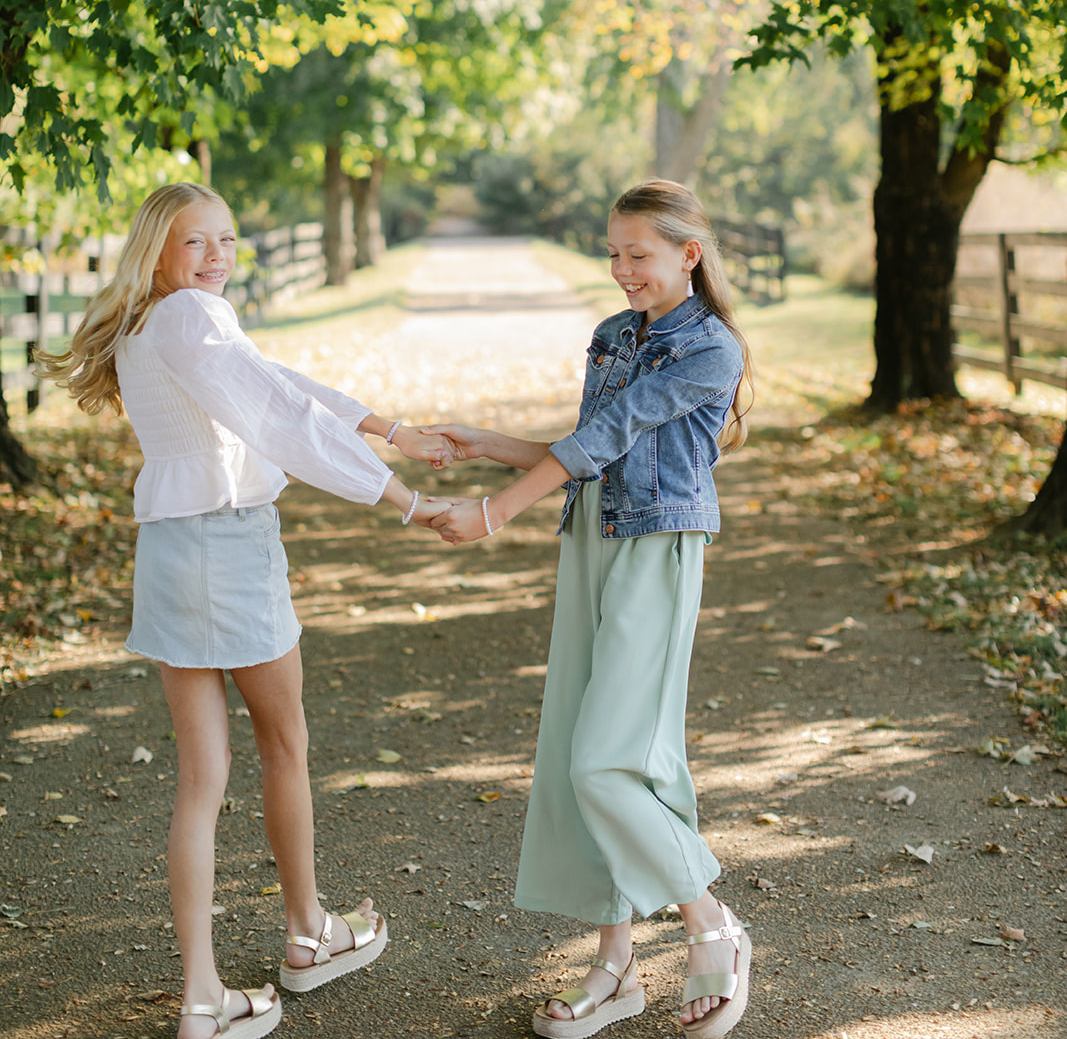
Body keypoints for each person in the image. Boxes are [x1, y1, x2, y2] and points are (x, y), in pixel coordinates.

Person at [38, 182, 444, 1039]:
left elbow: (271, 381)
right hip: (229, 545)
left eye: (226, 239)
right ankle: (307, 935)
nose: (217, 256)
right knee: (284, 743)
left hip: (171, 554)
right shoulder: (194, 320)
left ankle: (202, 997)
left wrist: (386, 425)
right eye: (197, 243)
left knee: (200, 781)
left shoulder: (154, 325)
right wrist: (403, 499)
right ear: (158, 251)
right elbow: (278, 415)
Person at [422, 180, 755, 1039]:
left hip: (656, 548)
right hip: (589, 541)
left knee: (609, 763)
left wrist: (495, 512)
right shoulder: (611, 336)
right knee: (584, 749)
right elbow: (581, 452)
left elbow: (606, 440)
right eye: (612, 253)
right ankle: (615, 967)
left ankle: (708, 920)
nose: (620, 270)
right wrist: (483, 444)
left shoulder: (711, 349)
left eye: (636, 254)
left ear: (687, 254)